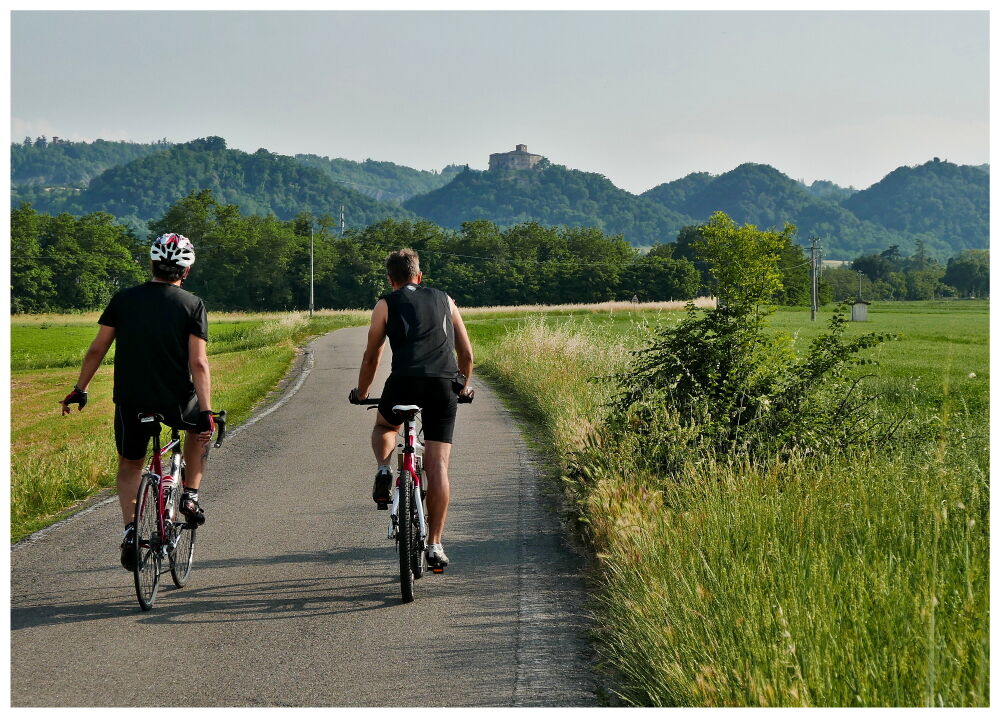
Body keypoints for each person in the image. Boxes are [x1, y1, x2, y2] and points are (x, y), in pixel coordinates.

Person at [60, 233, 216, 571]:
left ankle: (132, 531)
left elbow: (97, 348)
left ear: (152, 264)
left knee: (131, 464)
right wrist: (206, 411)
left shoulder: (124, 299)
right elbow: (199, 363)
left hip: (131, 399)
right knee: (198, 430)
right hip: (175, 399)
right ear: (185, 271)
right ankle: (189, 495)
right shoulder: (192, 304)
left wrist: (80, 388)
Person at [350, 248, 474, 571]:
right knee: (438, 467)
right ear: (420, 276)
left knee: (384, 427)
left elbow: (371, 355)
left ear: (391, 279)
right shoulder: (446, 300)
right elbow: (466, 353)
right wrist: (463, 384)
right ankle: (434, 544)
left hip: (403, 382)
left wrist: (362, 393)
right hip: (443, 384)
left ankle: (383, 468)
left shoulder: (385, 304)